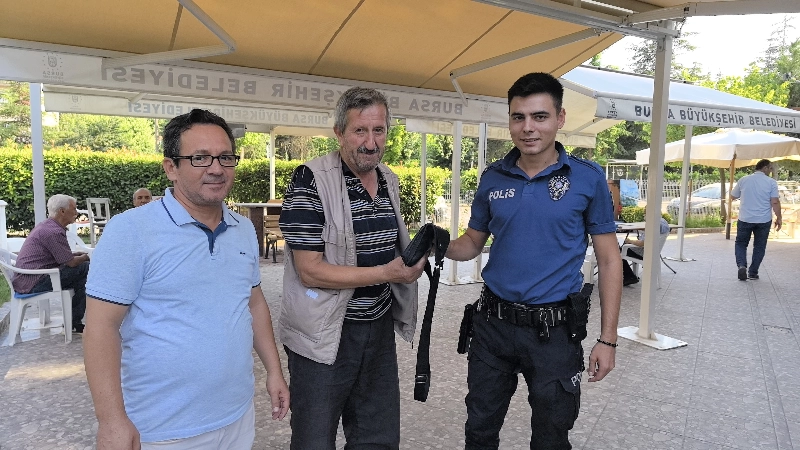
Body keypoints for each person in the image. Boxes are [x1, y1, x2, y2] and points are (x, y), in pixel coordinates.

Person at [83, 109, 289, 449]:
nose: (216, 168)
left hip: (237, 415)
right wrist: (111, 420)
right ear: (171, 168)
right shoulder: (131, 230)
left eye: (225, 157)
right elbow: (100, 327)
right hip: (164, 428)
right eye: (200, 158)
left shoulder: (241, 229)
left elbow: (253, 304)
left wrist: (274, 371)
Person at [445, 72, 622, 450]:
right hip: (492, 327)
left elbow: (609, 261)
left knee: (551, 437)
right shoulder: (493, 178)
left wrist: (608, 340)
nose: (528, 127)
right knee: (479, 431)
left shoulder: (587, 179)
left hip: (554, 332)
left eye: (539, 116)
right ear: (510, 120)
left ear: (560, 118)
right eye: (518, 117)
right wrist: (434, 243)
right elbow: (472, 244)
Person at [278, 87, 427, 450]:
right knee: (314, 440)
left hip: (377, 329)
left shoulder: (388, 178)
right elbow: (310, 271)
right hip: (324, 333)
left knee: (377, 439)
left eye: (379, 131)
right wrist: (387, 274)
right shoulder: (310, 179)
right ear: (339, 132)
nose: (371, 142)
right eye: (360, 130)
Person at [11, 194, 90, 334]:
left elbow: (62, 257)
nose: (76, 212)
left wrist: (77, 256)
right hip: (33, 282)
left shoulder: (48, 226)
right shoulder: (53, 232)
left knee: (82, 279)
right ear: (62, 211)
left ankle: (74, 323)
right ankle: (78, 320)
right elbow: (71, 263)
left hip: (28, 279)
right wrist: (86, 257)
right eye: (74, 208)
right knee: (86, 268)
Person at [731, 159, 782, 281]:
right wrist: (779, 218)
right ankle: (753, 273)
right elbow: (775, 201)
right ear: (764, 168)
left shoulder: (744, 180)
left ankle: (742, 266)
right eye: (770, 168)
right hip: (763, 220)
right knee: (759, 246)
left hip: (745, 218)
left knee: (741, 243)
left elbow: (733, 196)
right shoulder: (771, 182)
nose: (771, 171)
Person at [621, 212, 670, 286]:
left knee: (619, 251)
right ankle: (630, 275)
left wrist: (630, 241)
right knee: (622, 249)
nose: (644, 215)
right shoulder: (663, 222)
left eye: (645, 213)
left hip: (643, 253)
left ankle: (629, 277)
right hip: (654, 252)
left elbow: (642, 243)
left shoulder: (652, 225)